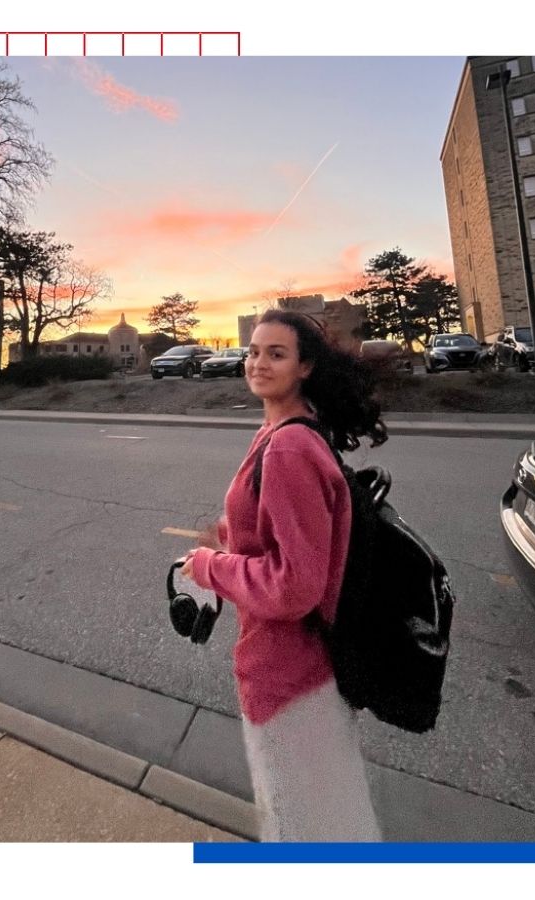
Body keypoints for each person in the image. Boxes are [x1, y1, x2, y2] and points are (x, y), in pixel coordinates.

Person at [180, 309, 388, 842]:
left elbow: (294, 585)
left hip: (292, 677)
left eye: (276, 354)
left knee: (304, 832)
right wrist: (231, 536)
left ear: (305, 367)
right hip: (302, 670)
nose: (258, 363)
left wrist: (209, 567)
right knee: (328, 824)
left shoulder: (291, 447)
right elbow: (286, 531)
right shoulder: (283, 430)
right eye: (253, 351)